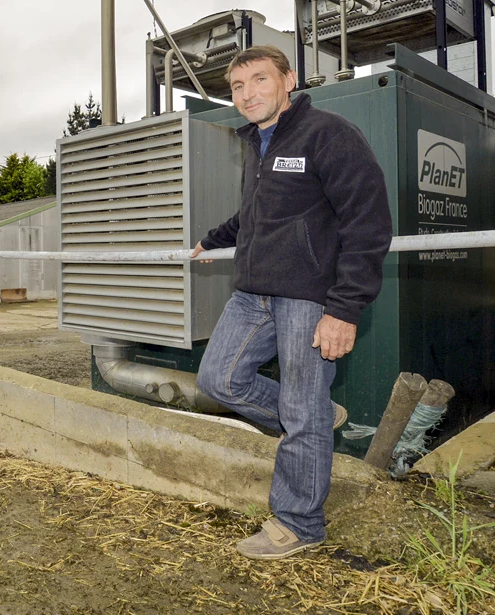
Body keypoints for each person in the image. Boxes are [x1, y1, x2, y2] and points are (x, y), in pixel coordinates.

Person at [190, 46, 392, 560]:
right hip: (254, 291)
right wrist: (214, 239)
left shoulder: (328, 135)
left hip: (309, 297)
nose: (248, 93)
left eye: (259, 80)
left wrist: (344, 309)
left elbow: (367, 224)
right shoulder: (258, 143)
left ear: (288, 80)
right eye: (237, 86)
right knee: (219, 379)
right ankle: (315, 421)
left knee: (302, 411)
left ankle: (299, 523)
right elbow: (255, 215)